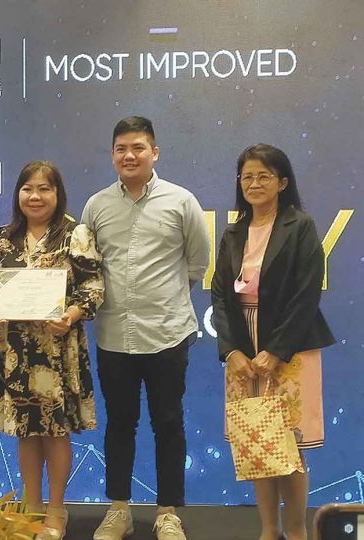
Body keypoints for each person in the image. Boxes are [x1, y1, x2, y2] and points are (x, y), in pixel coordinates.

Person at [82, 116, 210, 540]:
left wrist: (165, 298)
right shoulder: (97, 205)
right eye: (121, 149)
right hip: (114, 336)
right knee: (119, 423)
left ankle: (167, 511)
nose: (129, 155)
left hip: (167, 333)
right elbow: (87, 267)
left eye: (138, 148)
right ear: (113, 155)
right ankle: (118, 508)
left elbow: (197, 263)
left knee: (168, 423)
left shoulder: (181, 201)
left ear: (154, 152)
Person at [211, 144, 335, 540]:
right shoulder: (233, 232)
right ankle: (268, 530)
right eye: (247, 176)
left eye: (264, 176)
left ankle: (296, 532)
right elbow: (219, 295)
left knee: (288, 447)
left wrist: (277, 350)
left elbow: (306, 294)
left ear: (282, 182)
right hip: (243, 351)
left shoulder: (299, 227)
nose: (254, 183)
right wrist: (231, 350)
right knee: (256, 443)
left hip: (289, 347)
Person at [0, 160, 104, 540]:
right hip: (13, 350)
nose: (35, 196)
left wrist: (72, 313)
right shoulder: (2, 238)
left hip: (57, 347)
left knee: (54, 430)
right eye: (28, 188)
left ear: (57, 194)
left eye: (44, 188)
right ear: (18, 194)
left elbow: (94, 287)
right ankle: (31, 507)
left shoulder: (75, 235)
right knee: (25, 431)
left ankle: (57, 510)